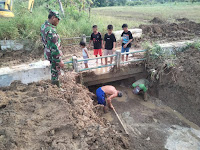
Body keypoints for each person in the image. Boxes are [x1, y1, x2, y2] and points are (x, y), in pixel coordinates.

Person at [40, 10, 64, 87]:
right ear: (53, 18)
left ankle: (55, 87)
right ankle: (57, 88)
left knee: (53, 71)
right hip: (53, 55)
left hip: (47, 51)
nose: (58, 21)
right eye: (58, 19)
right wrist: (59, 60)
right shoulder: (51, 31)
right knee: (55, 72)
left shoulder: (44, 26)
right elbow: (54, 47)